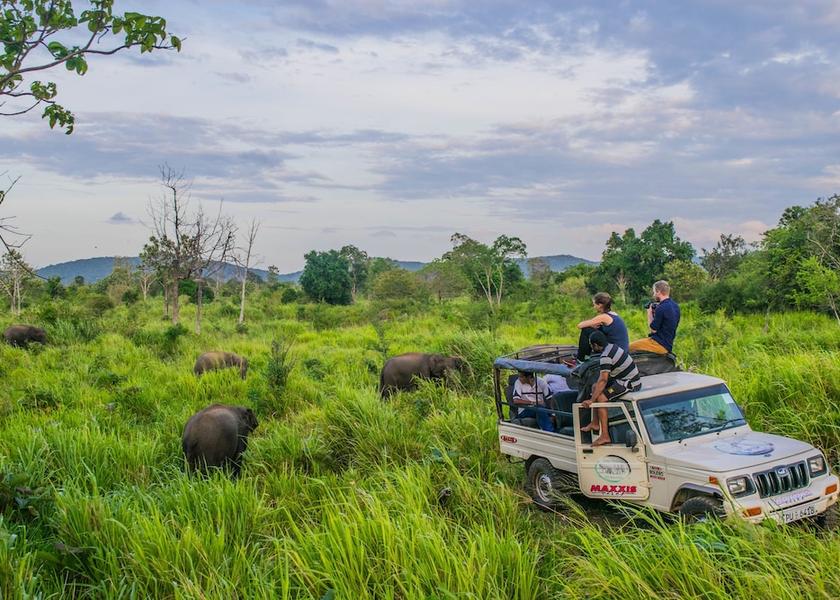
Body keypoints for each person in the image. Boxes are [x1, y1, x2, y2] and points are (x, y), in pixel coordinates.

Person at [580, 331, 641, 446]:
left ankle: (605, 436)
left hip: (629, 383)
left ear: (595, 345)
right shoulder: (611, 347)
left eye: (592, 345)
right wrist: (594, 393)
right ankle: (595, 422)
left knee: (602, 398)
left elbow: (603, 380)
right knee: (594, 387)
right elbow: (601, 380)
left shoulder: (605, 357)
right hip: (622, 377)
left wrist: (591, 401)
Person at [629, 280, 680, 355]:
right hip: (668, 344)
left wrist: (649, 313)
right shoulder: (676, 306)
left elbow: (653, 330)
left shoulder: (661, 307)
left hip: (658, 344)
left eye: (654, 292)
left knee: (628, 347)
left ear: (658, 291)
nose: (653, 295)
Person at [576, 292, 629, 360]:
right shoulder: (613, 314)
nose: (594, 307)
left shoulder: (604, 317)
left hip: (616, 352)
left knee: (586, 330)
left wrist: (592, 325)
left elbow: (580, 325)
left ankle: (581, 359)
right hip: (621, 350)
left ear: (600, 305)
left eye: (594, 304)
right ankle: (587, 356)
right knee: (597, 329)